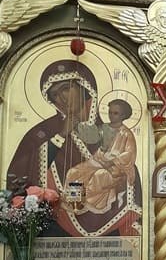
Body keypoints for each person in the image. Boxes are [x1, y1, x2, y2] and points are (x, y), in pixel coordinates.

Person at [7, 60, 141, 237]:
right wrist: (61, 135)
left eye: (66, 88)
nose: (61, 98)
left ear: (84, 87)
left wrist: (117, 169)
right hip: (57, 227)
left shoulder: (112, 130)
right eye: (54, 95)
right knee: (75, 174)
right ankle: (77, 202)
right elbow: (21, 171)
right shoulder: (43, 132)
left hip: (110, 221)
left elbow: (128, 162)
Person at [64, 99, 137, 214]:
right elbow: (91, 137)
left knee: (99, 175)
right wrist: (76, 126)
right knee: (74, 172)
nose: (111, 115)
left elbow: (129, 154)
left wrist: (112, 162)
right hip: (98, 162)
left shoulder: (127, 134)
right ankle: (74, 202)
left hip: (116, 169)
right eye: (110, 112)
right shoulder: (104, 128)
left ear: (123, 116)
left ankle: (84, 202)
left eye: (115, 113)